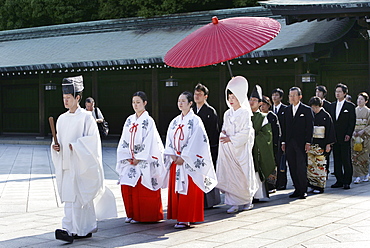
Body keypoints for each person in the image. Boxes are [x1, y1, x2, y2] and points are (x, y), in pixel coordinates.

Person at [51, 76, 117, 243]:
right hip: (66, 163)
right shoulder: (61, 119)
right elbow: (57, 139)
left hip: (81, 164)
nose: (65, 101)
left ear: (78, 98)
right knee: (69, 197)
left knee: (81, 198)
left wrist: (77, 146)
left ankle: (82, 229)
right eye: (64, 98)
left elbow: (92, 141)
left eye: (69, 98)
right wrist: (56, 146)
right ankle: (69, 228)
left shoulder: (87, 118)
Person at [164, 91, 217, 229]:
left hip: (189, 162)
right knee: (178, 190)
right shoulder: (175, 121)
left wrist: (184, 156)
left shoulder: (196, 121)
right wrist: (173, 155)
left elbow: (197, 141)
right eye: (179, 101)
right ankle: (180, 217)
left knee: (188, 190)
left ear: (190, 103)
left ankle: (187, 218)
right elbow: (169, 139)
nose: (180, 103)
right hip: (176, 161)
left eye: (183, 101)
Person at [116, 91, 165, 224]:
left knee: (143, 186)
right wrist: (126, 155)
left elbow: (150, 141)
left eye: (138, 102)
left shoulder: (148, 121)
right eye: (133, 102)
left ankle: (146, 215)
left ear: (145, 103)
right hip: (129, 159)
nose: (135, 105)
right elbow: (123, 139)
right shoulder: (129, 120)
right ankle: (131, 214)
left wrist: (139, 157)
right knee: (127, 185)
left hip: (144, 159)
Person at [216, 76, 258, 214]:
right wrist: (224, 134)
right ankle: (233, 203)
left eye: (234, 96)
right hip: (229, 149)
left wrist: (232, 139)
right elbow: (224, 128)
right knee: (231, 175)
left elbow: (246, 131)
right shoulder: (227, 113)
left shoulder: (245, 113)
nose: (231, 99)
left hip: (241, 149)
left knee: (243, 174)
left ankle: (247, 200)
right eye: (229, 97)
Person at [281, 87, 314, 199]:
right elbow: (284, 127)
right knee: (292, 166)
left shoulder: (306, 110)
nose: (292, 98)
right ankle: (296, 188)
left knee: (301, 166)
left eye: (294, 95)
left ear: (300, 96)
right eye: (290, 95)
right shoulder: (287, 110)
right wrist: (283, 142)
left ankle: (303, 189)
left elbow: (310, 127)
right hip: (289, 142)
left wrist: (308, 142)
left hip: (301, 143)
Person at [192, 83, 221, 208]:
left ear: (206, 96)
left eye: (200, 94)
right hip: (193, 149)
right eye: (196, 94)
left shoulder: (210, 112)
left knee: (206, 174)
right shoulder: (191, 111)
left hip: (207, 148)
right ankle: (196, 199)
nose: (197, 96)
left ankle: (209, 201)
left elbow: (214, 133)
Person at [249, 86, 275, 201]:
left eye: (255, 100)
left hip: (256, 149)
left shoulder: (263, 117)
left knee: (256, 170)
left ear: (260, 103)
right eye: (250, 100)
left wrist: (252, 137)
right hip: (245, 148)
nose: (251, 102)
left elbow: (266, 135)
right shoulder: (244, 114)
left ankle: (258, 194)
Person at [329, 83, 356, 190]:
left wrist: (349, 134)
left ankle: (347, 181)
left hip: (345, 136)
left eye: (340, 92)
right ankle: (339, 180)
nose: (338, 94)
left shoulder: (350, 106)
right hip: (335, 137)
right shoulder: (332, 105)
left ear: (345, 93)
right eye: (336, 91)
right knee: (336, 159)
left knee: (346, 159)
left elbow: (351, 122)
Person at [307, 96, 336, 193]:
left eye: (316, 107)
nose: (314, 109)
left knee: (320, 166)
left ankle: (320, 186)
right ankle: (311, 184)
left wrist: (328, 144)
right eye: (313, 107)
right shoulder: (310, 115)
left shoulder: (326, 116)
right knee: (310, 166)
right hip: (311, 144)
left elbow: (330, 131)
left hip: (321, 144)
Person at [260, 95, 281, 194]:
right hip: (261, 145)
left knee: (271, 165)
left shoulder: (272, 116)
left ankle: (271, 185)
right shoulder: (257, 116)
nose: (262, 107)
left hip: (271, 144)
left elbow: (277, 132)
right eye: (261, 105)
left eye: (264, 105)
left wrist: (276, 144)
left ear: (269, 105)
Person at [271, 88, 288, 190]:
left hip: (281, 139)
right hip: (271, 139)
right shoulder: (269, 109)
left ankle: (282, 182)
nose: (274, 97)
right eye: (273, 95)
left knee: (281, 161)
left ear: (281, 97)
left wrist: (284, 140)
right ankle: (274, 182)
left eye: (277, 95)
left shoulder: (285, 109)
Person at [351, 92, 370, 184]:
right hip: (355, 135)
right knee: (355, 155)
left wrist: (364, 131)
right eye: (358, 99)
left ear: (366, 101)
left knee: (364, 155)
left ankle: (366, 174)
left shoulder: (368, 111)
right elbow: (351, 122)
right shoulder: (354, 110)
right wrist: (353, 130)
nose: (359, 101)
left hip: (365, 135)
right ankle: (357, 176)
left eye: (361, 99)